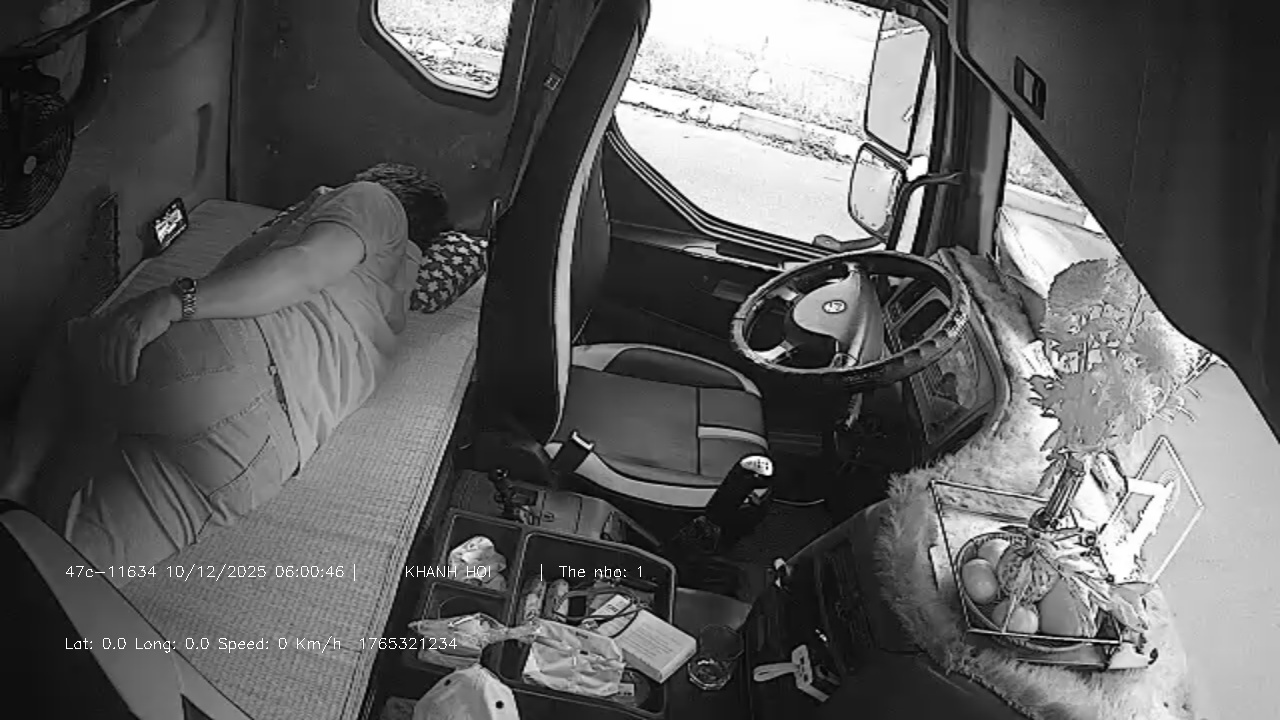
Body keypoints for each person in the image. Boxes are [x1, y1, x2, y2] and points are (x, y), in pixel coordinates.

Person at [0, 163, 450, 580]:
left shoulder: (376, 201)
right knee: (63, 571)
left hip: (228, 361)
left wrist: (176, 301)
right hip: (255, 457)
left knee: (72, 348)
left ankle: (12, 487)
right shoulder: (392, 315)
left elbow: (306, 266)